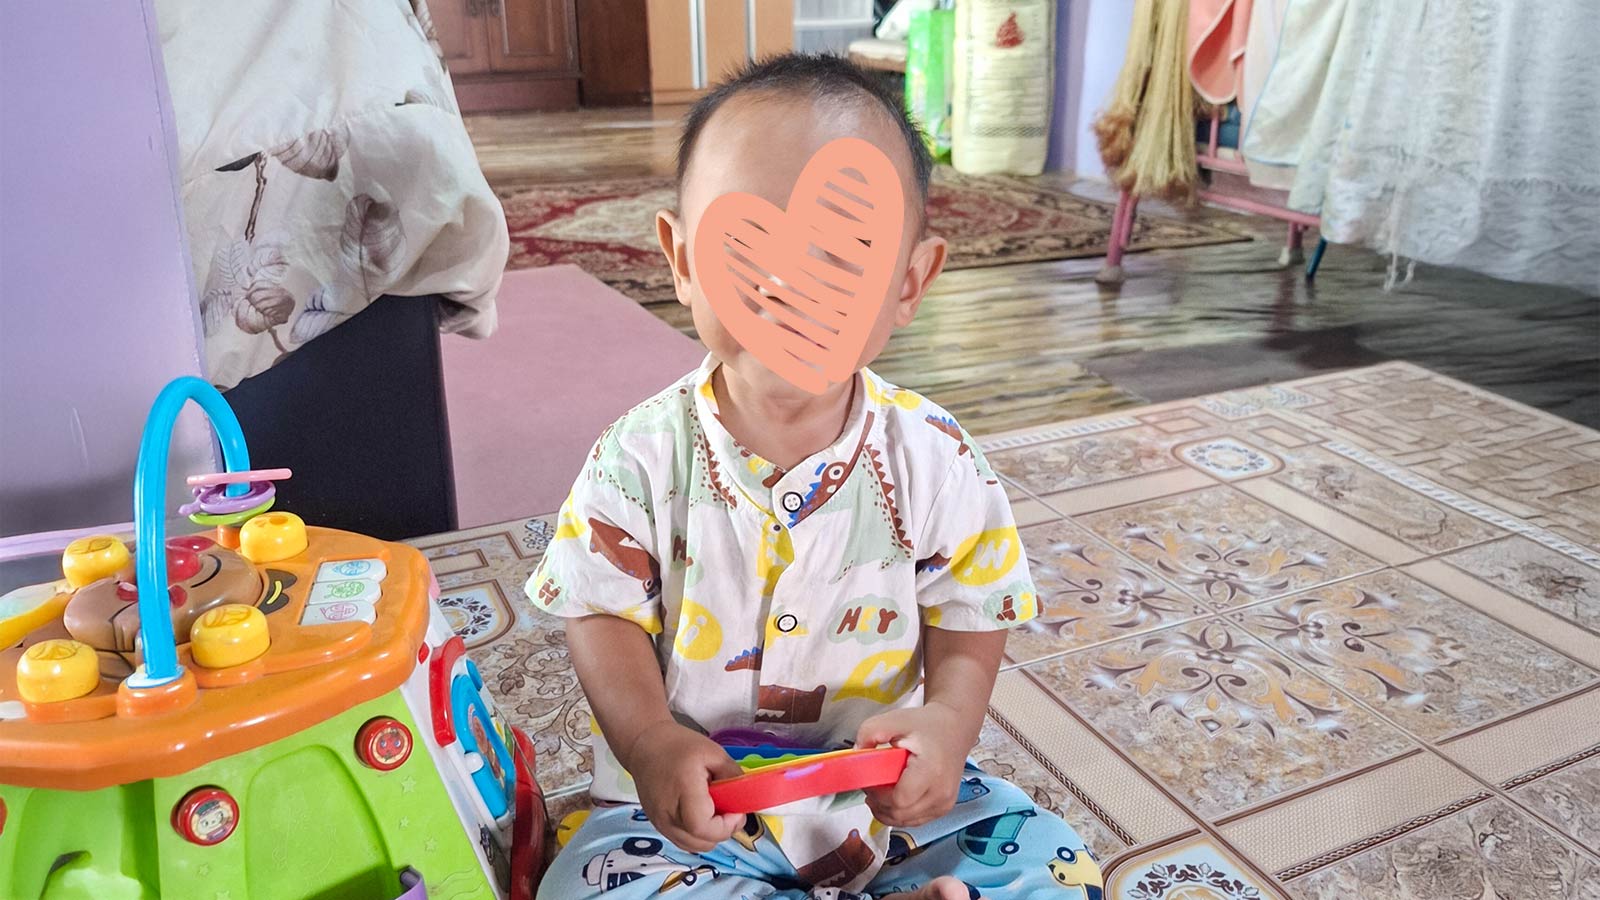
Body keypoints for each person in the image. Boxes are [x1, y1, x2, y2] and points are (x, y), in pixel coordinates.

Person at [528, 53, 1104, 900]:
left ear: (909, 282)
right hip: (692, 812)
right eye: (745, 245)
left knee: (1054, 866)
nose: (788, 287)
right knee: (584, 888)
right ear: (682, 259)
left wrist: (948, 726)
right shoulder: (637, 456)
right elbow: (598, 610)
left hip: (877, 804)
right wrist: (649, 740)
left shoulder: (937, 457)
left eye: (841, 256)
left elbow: (972, 610)